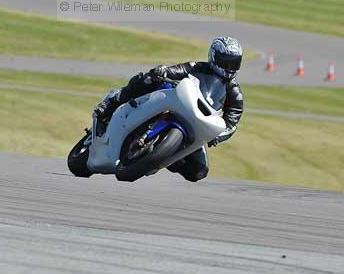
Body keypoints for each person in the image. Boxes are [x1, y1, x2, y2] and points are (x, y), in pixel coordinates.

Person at [94, 36, 244, 182]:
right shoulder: (197, 67)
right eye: (226, 61)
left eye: (235, 62)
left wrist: (218, 136)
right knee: (148, 79)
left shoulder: (234, 92)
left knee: (199, 171)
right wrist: (164, 71)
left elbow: (232, 122)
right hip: (179, 104)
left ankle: (169, 158)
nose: (230, 67)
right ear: (214, 57)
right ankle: (112, 102)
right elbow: (177, 70)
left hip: (198, 123)